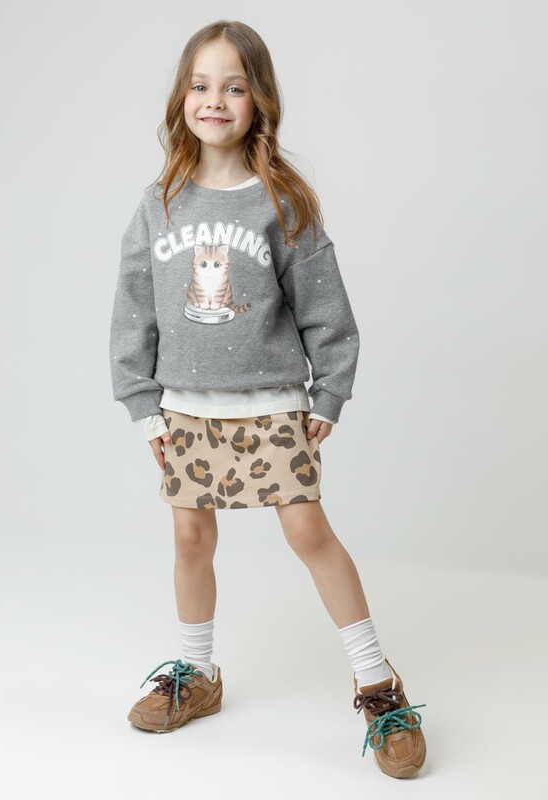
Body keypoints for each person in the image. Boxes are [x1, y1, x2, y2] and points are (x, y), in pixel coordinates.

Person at [109, 19, 427, 778]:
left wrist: (330, 392)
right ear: (181, 97)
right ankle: (198, 674)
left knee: (308, 532)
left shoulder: (283, 201)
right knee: (191, 540)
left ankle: (378, 684)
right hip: (186, 407)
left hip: (273, 402)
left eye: (233, 86)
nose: (214, 100)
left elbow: (326, 307)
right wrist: (142, 404)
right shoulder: (159, 203)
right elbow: (132, 309)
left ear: (260, 101)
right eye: (200, 85)